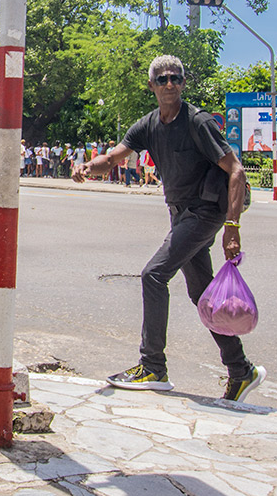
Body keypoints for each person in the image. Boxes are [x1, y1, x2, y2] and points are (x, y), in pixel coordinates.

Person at [72, 55, 265, 403]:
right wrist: (89, 166)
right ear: (152, 86)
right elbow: (115, 158)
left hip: (205, 212)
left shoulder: (198, 122)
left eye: (176, 78)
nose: (170, 84)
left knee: (154, 275)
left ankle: (153, 367)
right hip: (181, 214)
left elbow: (235, 170)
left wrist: (232, 227)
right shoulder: (148, 125)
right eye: (162, 79)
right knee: (201, 293)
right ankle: (240, 369)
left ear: (183, 83)